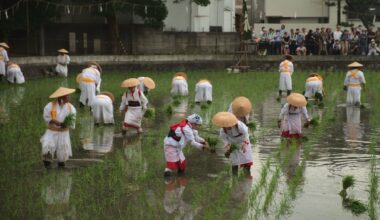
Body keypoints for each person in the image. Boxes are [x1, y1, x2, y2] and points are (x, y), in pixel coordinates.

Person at [40, 87, 77, 168]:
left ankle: (61, 169)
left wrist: (66, 124)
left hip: (64, 132)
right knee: (47, 149)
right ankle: (47, 169)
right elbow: (46, 118)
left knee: (62, 154)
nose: (69, 97)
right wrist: (55, 122)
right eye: (67, 96)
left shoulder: (71, 108)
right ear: (61, 97)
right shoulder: (49, 106)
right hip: (51, 131)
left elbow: (72, 121)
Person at [212, 112, 253, 176]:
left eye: (228, 125)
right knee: (234, 163)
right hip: (233, 144)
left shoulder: (239, 125)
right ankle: (235, 179)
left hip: (243, 142)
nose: (227, 126)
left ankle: (247, 178)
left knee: (246, 161)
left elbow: (246, 134)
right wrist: (227, 145)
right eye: (225, 125)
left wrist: (245, 144)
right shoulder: (223, 129)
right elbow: (224, 138)